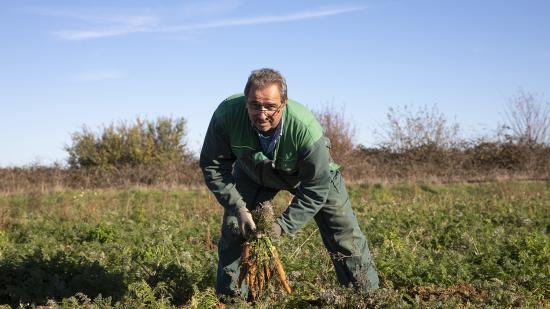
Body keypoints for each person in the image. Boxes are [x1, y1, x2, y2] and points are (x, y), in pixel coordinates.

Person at [200, 68, 379, 298]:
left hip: (310, 176)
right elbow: (213, 166)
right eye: (255, 105)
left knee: (344, 236)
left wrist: (282, 226)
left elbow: (316, 188)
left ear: (283, 103)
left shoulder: (305, 130)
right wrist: (238, 207)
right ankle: (232, 299)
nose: (262, 114)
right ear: (246, 102)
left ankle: (366, 297)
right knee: (235, 229)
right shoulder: (227, 115)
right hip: (254, 172)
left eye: (270, 107)